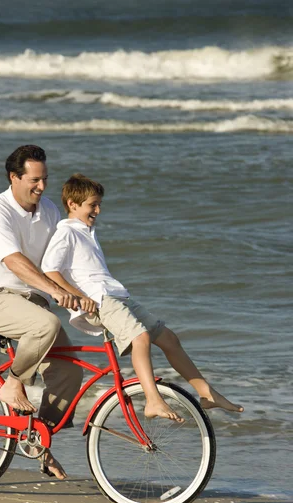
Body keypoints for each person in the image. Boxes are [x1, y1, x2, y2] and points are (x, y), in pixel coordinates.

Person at [41, 173, 244, 421]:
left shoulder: (86, 231)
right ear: (73, 205)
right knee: (141, 337)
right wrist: (78, 296)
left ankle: (207, 393)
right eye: (92, 205)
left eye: (99, 204)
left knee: (169, 339)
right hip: (99, 300)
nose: (98, 210)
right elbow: (50, 269)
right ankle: (152, 400)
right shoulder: (67, 232)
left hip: (117, 296)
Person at [0, 146, 83, 479]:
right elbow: (13, 260)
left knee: (70, 371)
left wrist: (87, 296)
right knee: (46, 324)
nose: (42, 187)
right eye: (34, 180)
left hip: (33, 301)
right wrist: (54, 290)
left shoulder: (48, 211)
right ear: (14, 178)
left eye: (45, 179)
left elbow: (61, 263)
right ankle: (13, 383)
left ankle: (36, 441)